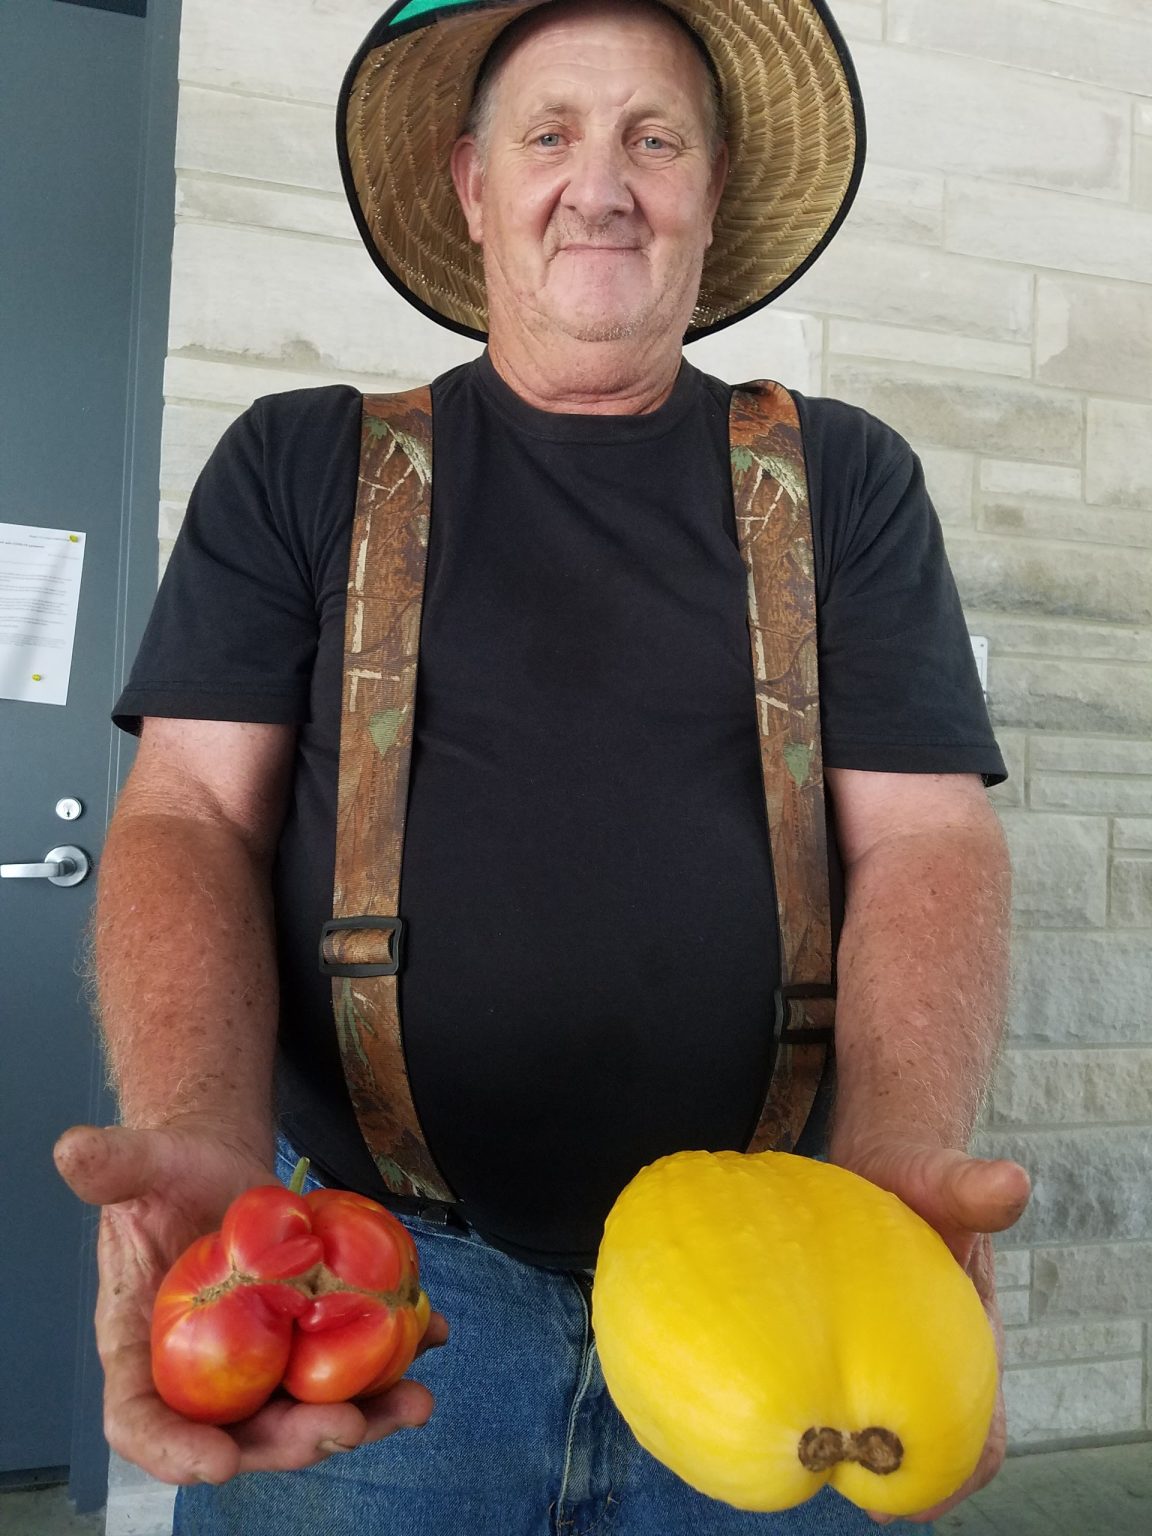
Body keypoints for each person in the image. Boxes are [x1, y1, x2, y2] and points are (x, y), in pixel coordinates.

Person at [54, 1, 1033, 1532]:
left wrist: (898, 1156)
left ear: (712, 188)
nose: (602, 185)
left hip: (783, 1289)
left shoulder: (843, 482)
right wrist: (202, 1130)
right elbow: (189, 817)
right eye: (552, 134)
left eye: (655, 138)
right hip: (369, 1294)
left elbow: (926, 837)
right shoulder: (296, 465)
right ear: (473, 184)